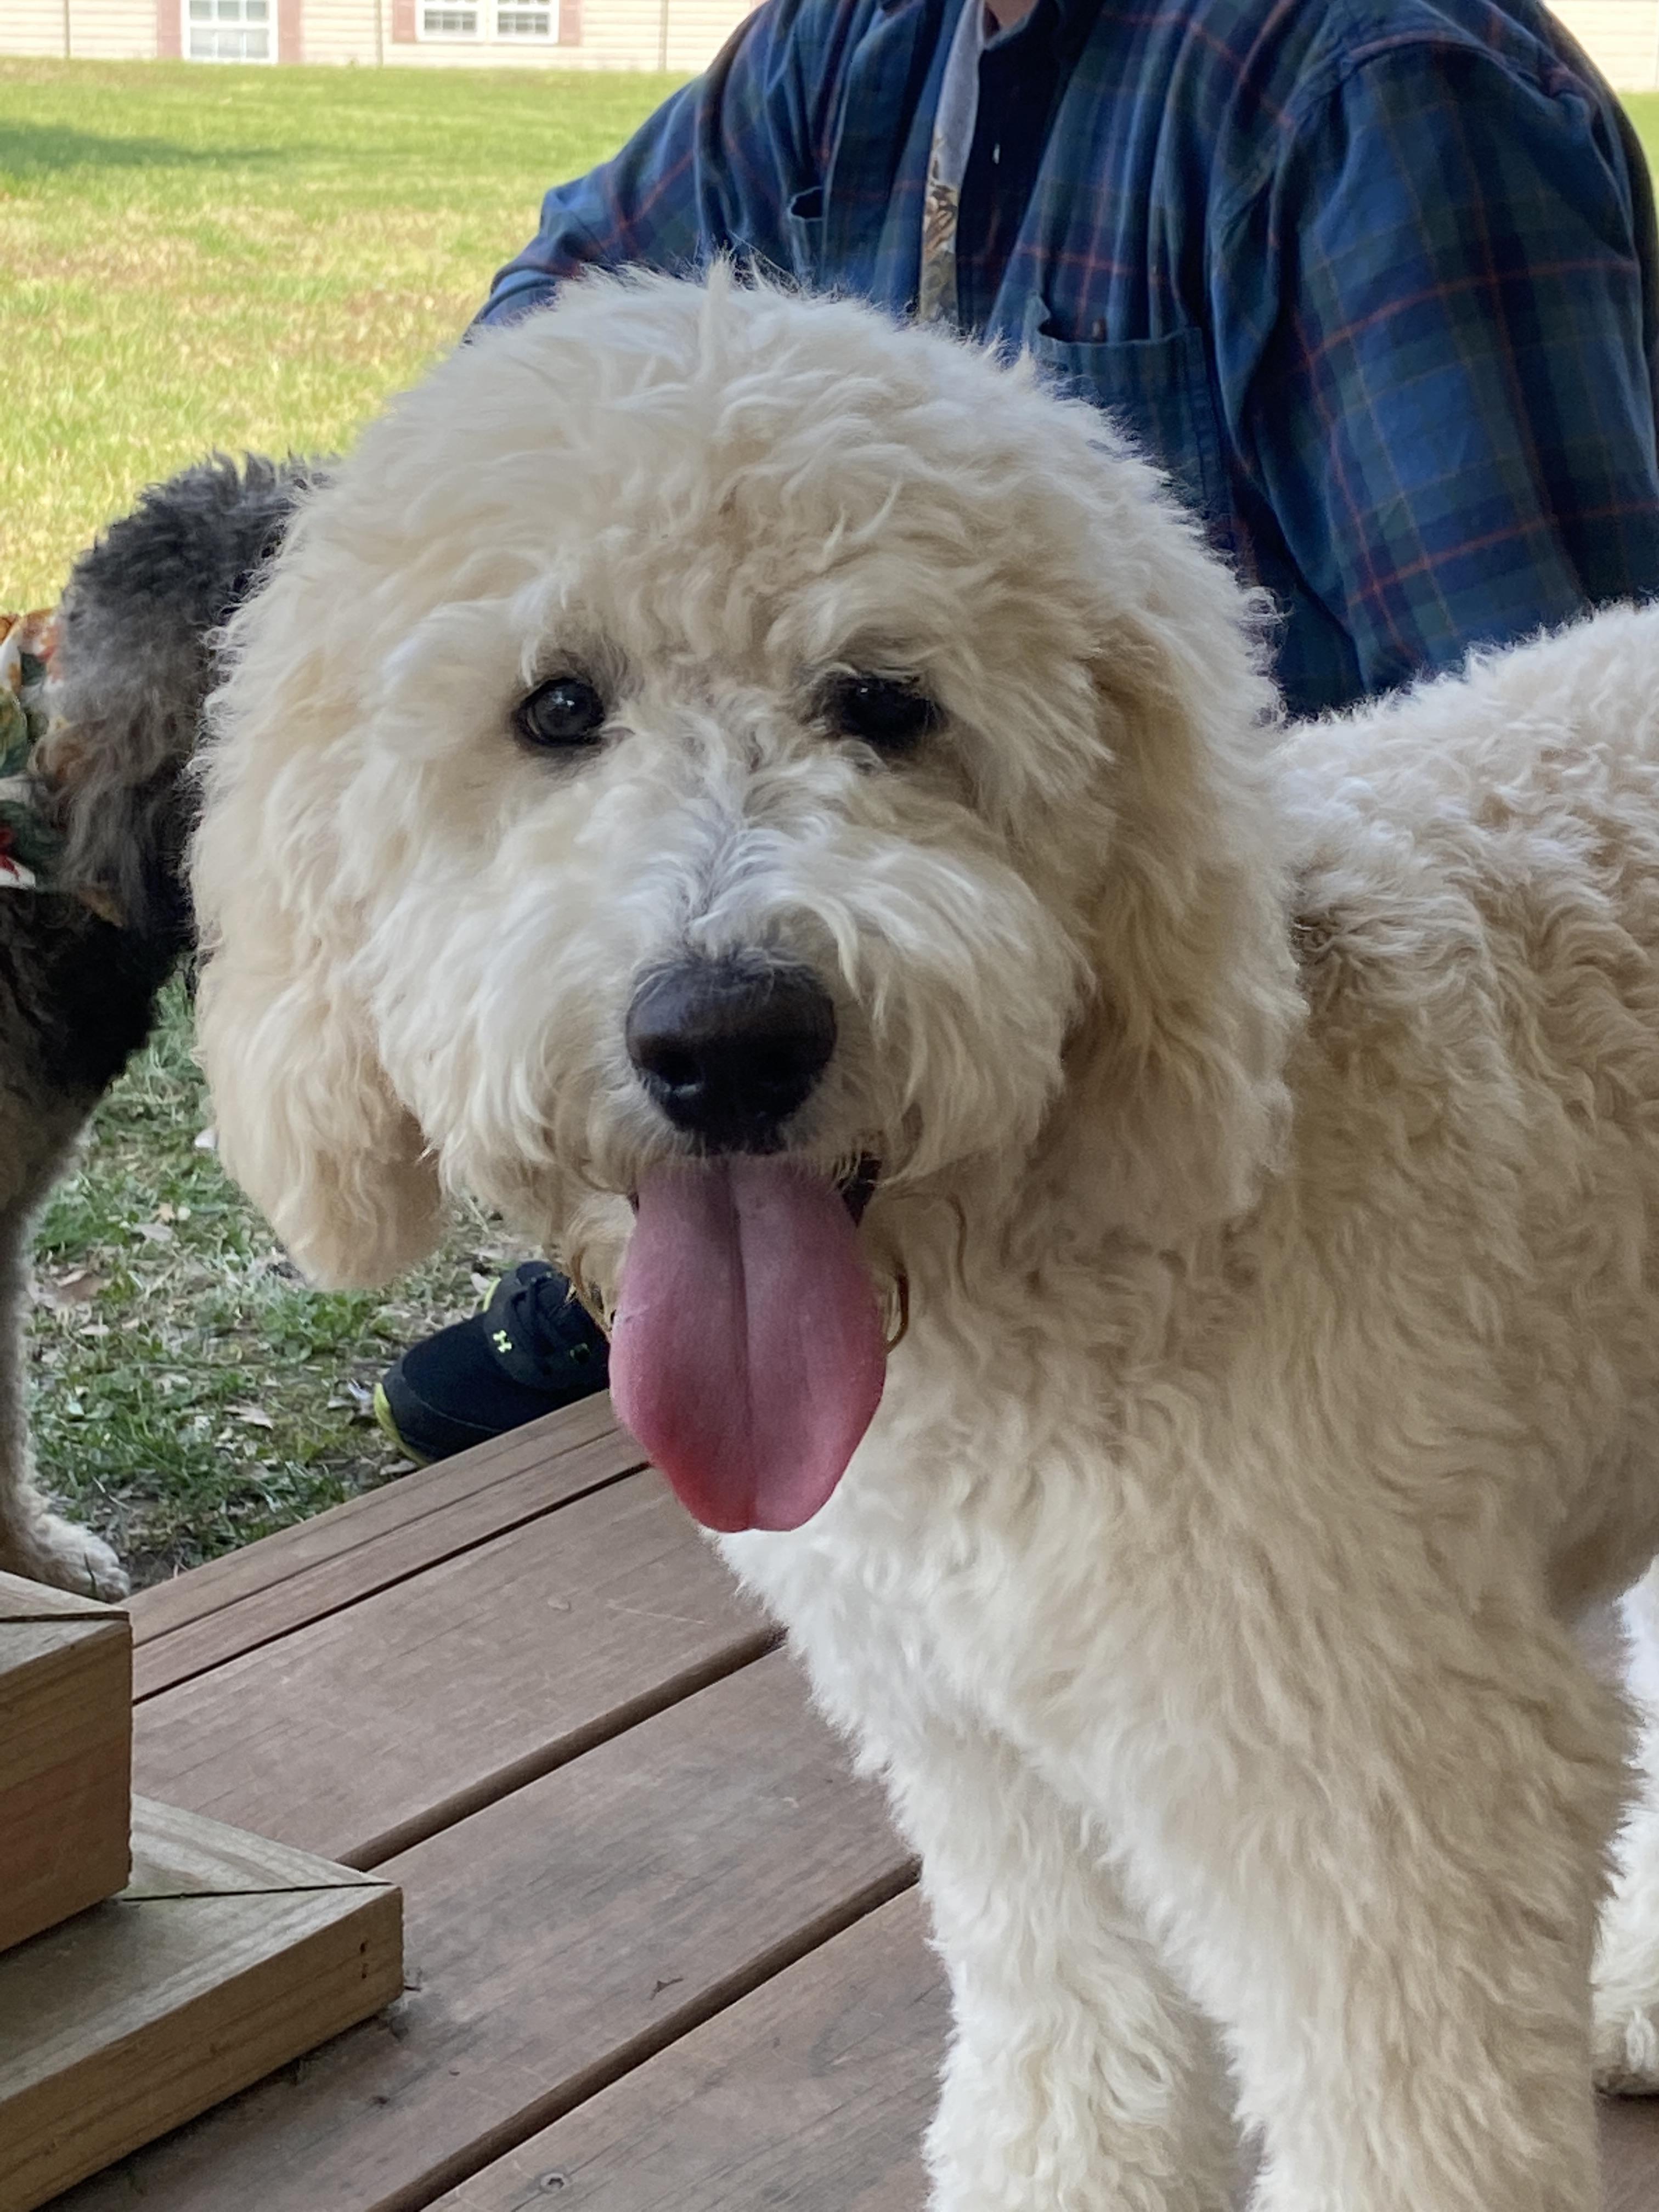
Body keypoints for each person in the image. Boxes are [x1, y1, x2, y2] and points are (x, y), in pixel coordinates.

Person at [374, 0, 1659, 1465]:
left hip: (1289, 1084)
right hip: (925, 1065)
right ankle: (725, 1262)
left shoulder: (1381, 90)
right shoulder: (846, 46)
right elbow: (534, 356)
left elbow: (1555, 746)